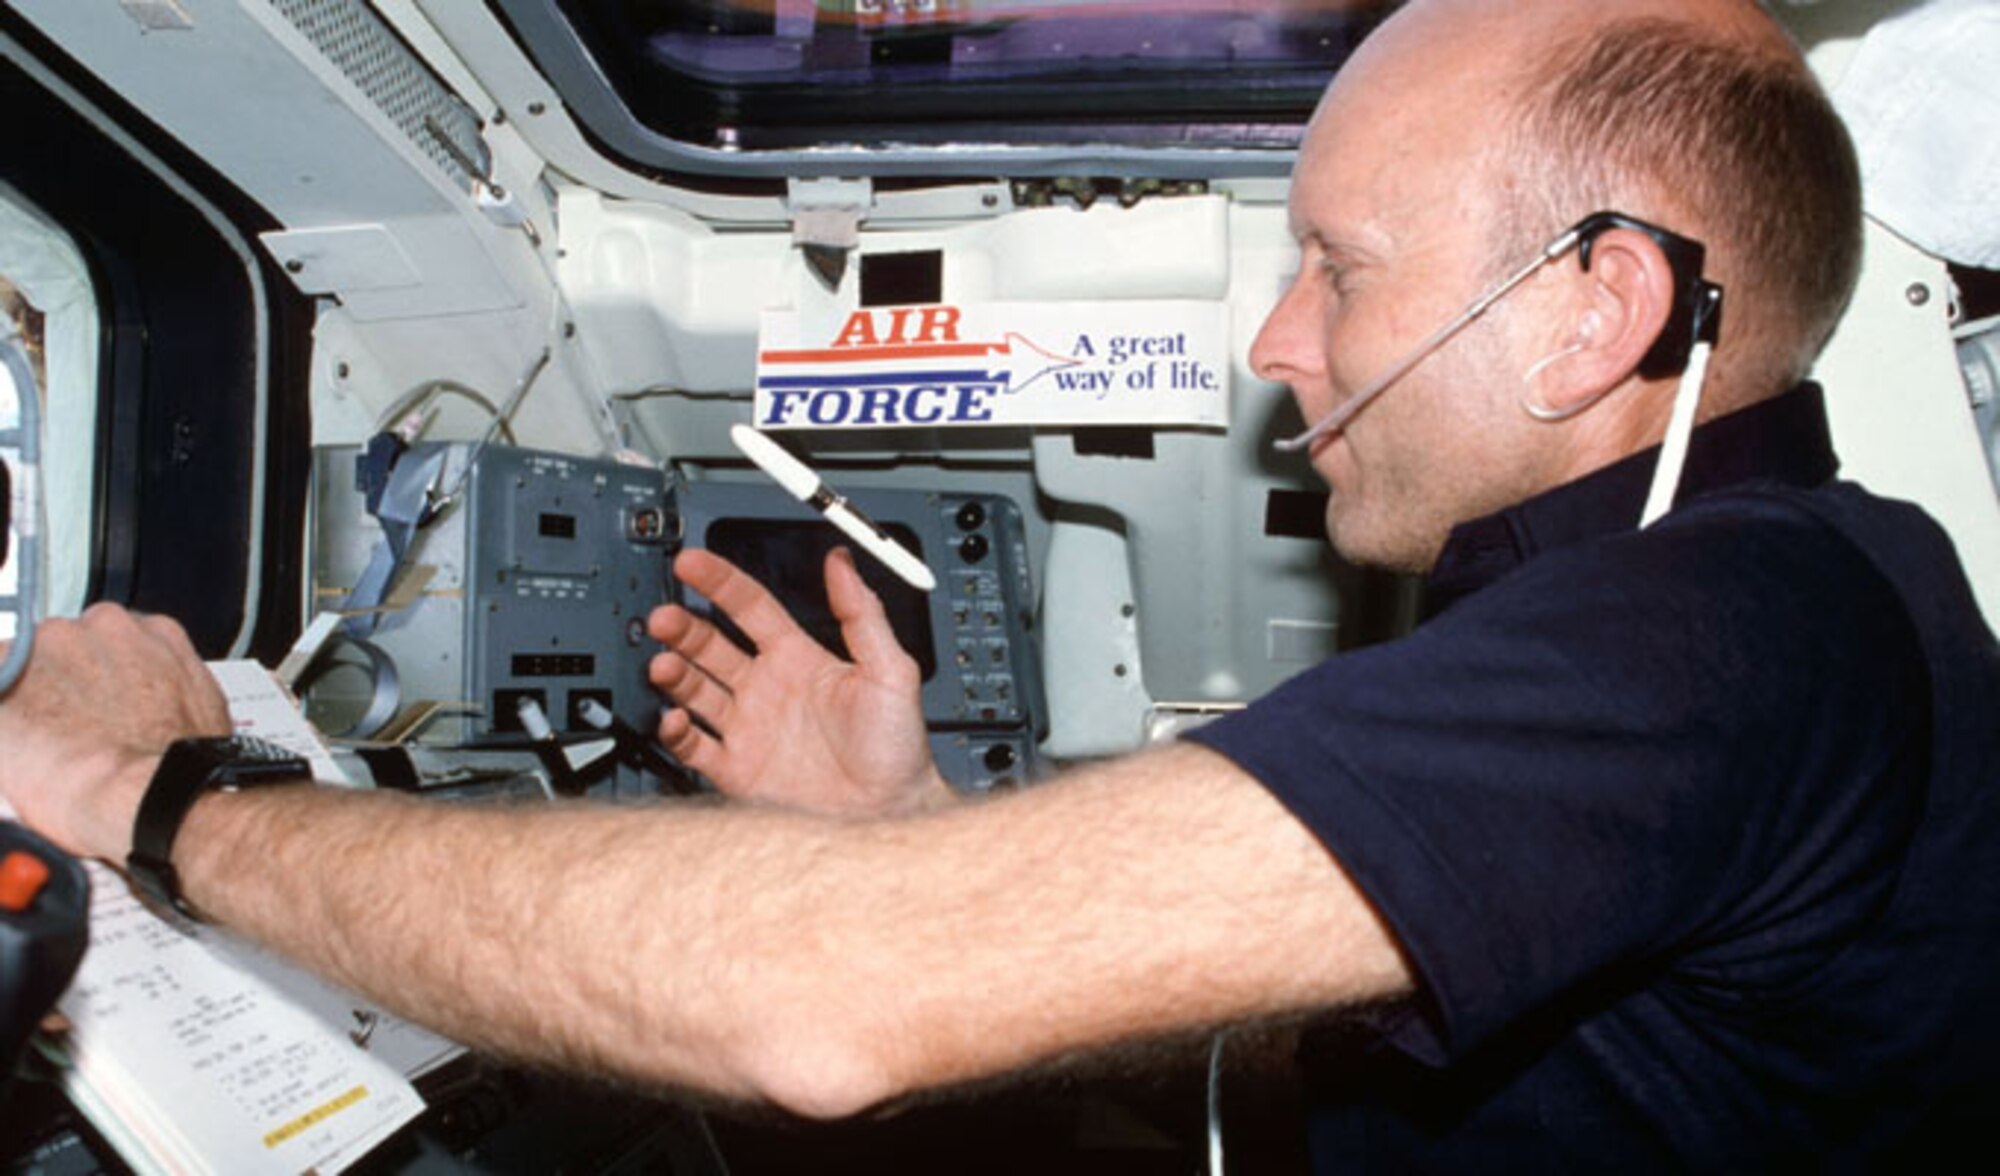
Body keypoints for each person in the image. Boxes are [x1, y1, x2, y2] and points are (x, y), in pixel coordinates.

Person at [2, 0, 1997, 1166]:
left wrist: (159, 796)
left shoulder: (1740, 626)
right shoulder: (1701, 622)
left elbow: (821, 1006)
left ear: (1595, 316)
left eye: (1343, 265)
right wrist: (911, 827)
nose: (1278, 342)